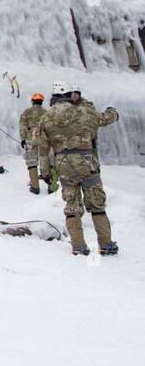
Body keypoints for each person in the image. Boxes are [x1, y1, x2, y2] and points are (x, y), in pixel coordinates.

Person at [38, 82, 119, 256]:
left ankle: (78, 246)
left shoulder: (45, 118)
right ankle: (106, 244)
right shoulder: (83, 110)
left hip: (63, 163)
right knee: (97, 203)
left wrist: (45, 171)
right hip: (86, 161)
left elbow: (43, 149)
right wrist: (112, 110)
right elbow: (105, 119)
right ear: (69, 94)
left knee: (72, 205)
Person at [19, 93, 53, 195]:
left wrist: (23, 139)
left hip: (31, 138)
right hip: (44, 139)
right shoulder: (47, 113)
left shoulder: (27, 112)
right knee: (47, 161)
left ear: (32, 101)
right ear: (41, 102)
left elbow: (22, 126)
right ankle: (51, 186)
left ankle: (35, 186)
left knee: (32, 162)